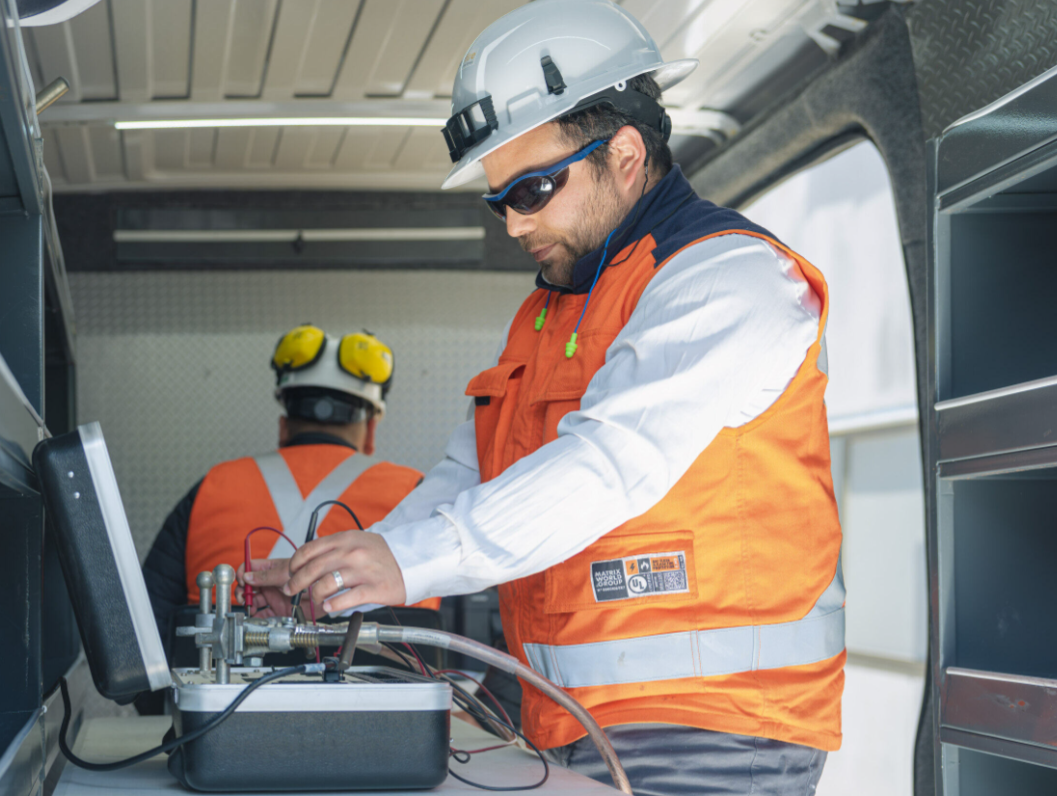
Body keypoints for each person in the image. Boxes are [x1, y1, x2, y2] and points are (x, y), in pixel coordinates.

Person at [245, 2, 843, 793]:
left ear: (626, 153)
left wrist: (407, 561)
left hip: (714, 730)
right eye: (499, 200)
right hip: (569, 722)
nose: (514, 224)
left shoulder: (727, 280)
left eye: (533, 188)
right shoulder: (548, 314)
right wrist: (344, 571)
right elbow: (470, 480)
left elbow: (607, 465)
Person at [142, 324, 438, 644]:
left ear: (284, 427)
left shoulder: (211, 487)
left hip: (223, 690)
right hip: (389, 691)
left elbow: (145, 635)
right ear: (370, 432)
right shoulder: (417, 492)